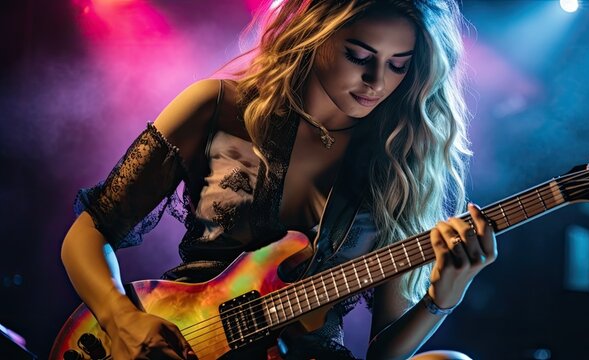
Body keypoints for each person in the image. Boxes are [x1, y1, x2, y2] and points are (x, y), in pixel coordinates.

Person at [60, 0, 497, 359]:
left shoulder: (397, 165)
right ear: (314, 33)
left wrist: (443, 297)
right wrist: (123, 318)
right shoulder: (219, 107)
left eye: (398, 65)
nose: (376, 81)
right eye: (359, 57)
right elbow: (89, 233)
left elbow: (383, 355)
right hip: (189, 340)